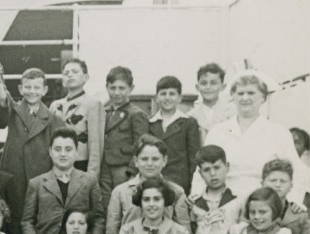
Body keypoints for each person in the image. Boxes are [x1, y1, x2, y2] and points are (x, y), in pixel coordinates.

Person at [194, 70, 307, 204]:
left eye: (251, 93)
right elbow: (201, 172)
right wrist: (197, 199)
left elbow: (298, 173)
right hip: (221, 204)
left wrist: (290, 203)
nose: (245, 98)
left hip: (263, 207)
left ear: (263, 98)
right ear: (233, 97)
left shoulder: (278, 132)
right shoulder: (218, 131)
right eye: (240, 93)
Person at [20, 128, 105, 234]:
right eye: (58, 149)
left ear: (77, 152)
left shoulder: (89, 181)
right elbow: (27, 220)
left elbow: (99, 217)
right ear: (50, 152)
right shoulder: (37, 183)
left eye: (68, 149)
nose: (63, 154)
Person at [104, 135, 192, 234]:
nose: (150, 164)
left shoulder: (176, 191)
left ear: (164, 161)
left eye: (155, 159)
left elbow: (186, 233)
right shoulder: (120, 192)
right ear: (136, 161)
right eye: (144, 159)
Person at [0, 68, 64, 201]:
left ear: (45, 90)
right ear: (20, 89)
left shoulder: (55, 120)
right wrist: (2, 96)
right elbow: (1, 119)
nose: (32, 91)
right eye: (27, 87)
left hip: (42, 179)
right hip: (14, 178)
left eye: (37, 87)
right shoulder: (14, 110)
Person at [188, 145, 241, 234]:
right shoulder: (195, 203)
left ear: (227, 167)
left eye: (217, 167)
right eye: (207, 170)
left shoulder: (236, 200)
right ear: (200, 173)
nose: (212, 174)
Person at [99, 66, 149, 203]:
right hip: (104, 167)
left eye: (122, 88)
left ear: (131, 88)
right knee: (105, 203)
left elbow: (141, 146)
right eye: (112, 88)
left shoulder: (136, 114)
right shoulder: (103, 111)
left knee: (124, 202)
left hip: (123, 168)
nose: (116, 92)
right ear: (106, 87)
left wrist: (132, 172)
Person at [49, 58, 104, 177]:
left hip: (81, 164)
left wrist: (92, 176)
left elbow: (95, 144)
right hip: (57, 164)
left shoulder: (92, 104)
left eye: (75, 72)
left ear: (85, 77)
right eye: (66, 73)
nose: (70, 75)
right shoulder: (55, 105)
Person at [148, 75, 201, 194]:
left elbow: (194, 159)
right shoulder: (150, 123)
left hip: (180, 183)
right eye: (163, 93)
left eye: (172, 94)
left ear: (180, 98)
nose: (167, 98)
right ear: (156, 98)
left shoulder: (189, 122)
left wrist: (193, 187)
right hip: (153, 182)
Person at [187, 63, 234, 143]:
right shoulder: (191, 115)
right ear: (197, 87)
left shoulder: (231, 112)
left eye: (213, 83)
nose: (208, 87)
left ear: (223, 87)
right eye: (203, 83)